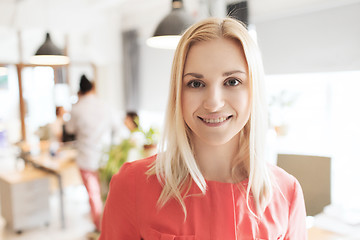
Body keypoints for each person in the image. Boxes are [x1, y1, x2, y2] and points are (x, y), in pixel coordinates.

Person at [99, 17, 307, 239]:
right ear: (178, 93)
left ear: (253, 90)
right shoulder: (132, 185)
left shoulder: (287, 193)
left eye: (232, 81)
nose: (213, 103)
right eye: (196, 84)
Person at [65, 74, 118, 234]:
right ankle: (112, 226)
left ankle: (101, 229)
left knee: (93, 196)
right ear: (93, 87)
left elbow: (69, 129)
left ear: (80, 90)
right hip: (105, 157)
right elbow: (117, 127)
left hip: (86, 158)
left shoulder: (77, 108)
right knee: (108, 193)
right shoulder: (104, 105)